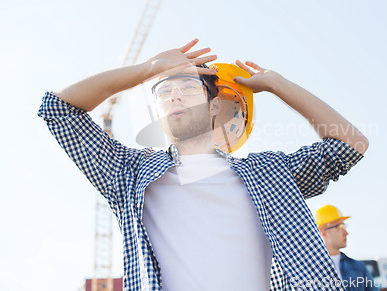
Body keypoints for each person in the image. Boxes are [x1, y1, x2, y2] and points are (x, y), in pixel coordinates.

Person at [38, 38, 369, 291]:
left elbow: (351, 144)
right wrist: (146, 69)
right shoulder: (129, 174)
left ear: (214, 107)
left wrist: (276, 85)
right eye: (164, 92)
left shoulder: (270, 173)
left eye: (187, 87)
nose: (174, 96)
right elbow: (57, 108)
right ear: (158, 113)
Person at [315, 205, 379, 291]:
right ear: (323, 232)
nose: (346, 233)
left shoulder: (359, 267)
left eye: (344, 227)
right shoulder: (309, 269)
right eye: (340, 227)